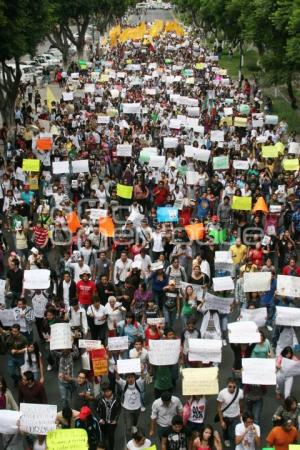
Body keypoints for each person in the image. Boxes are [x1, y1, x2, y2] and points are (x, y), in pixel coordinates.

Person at [115, 370, 145, 442]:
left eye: (132, 377)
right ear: (126, 378)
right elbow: (118, 378)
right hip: (127, 409)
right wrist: (116, 371)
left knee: (134, 424)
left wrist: (142, 370)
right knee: (128, 427)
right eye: (128, 377)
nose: (130, 379)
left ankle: (134, 430)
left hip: (137, 408)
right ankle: (129, 443)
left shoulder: (138, 383)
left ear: (134, 378)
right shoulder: (124, 384)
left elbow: (142, 377)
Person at [216, 378, 244, 448]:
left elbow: (241, 403)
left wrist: (241, 413)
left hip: (236, 416)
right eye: (230, 386)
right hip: (226, 416)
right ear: (227, 385)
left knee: (236, 431)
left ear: (236, 386)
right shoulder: (222, 393)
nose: (232, 388)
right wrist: (221, 421)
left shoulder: (240, 392)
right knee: (225, 430)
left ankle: (236, 443)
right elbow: (219, 408)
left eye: (234, 387)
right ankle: (226, 438)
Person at [96, 382, 121, 450]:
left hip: (112, 423)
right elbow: (94, 409)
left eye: (107, 391)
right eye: (104, 391)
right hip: (103, 422)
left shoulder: (117, 398)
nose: (105, 393)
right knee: (103, 436)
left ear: (111, 390)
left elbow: (119, 410)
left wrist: (116, 419)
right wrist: (99, 419)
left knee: (111, 437)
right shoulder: (99, 398)